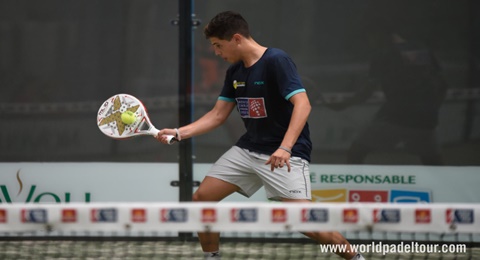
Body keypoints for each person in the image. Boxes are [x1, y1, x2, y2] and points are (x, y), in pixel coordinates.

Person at [155, 11, 364, 260]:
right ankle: (212, 257)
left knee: (306, 223)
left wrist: (285, 148)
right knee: (202, 199)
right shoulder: (234, 73)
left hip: (285, 154)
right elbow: (218, 115)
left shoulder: (277, 60)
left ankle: (356, 259)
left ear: (236, 39)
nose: (216, 52)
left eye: (218, 45)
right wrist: (180, 132)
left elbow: (303, 104)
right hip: (248, 149)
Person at [327, 26, 447, 165]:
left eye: (369, 37)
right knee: (433, 164)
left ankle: (353, 184)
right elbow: (442, 86)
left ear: (379, 34)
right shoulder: (417, 49)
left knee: (356, 152)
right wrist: (431, 109)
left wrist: (343, 105)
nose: (369, 42)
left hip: (396, 117)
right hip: (426, 119)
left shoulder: (383, 55)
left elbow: (367, 92)